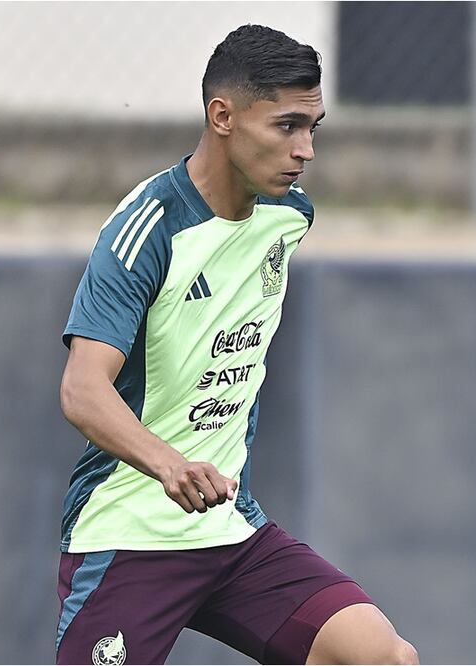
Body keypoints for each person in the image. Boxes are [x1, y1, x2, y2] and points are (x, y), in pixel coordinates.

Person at [55, 24, 419, 666]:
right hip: (129, 535)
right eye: (287, 126)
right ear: (222, 117)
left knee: (384, 658)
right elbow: (83, 390)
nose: (306, 150)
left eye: (314, 128)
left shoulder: (289, 216)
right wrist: (170, 465)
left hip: (231, 532)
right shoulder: (147, 230)